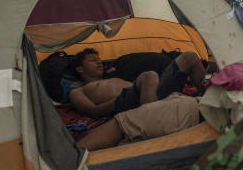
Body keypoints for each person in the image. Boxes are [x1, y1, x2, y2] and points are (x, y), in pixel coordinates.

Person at [67, 48, 207, 119]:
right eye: (92, 60)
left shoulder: (112, 76)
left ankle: (206, 96)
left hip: (151, 93)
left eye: (99, 59)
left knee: (190, 57)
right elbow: (94, 111)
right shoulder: (77, 91)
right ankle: (154, 119)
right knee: (149, 75)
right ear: (79, 68)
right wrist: (120, 98)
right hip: (130, 102)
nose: (99, 62)